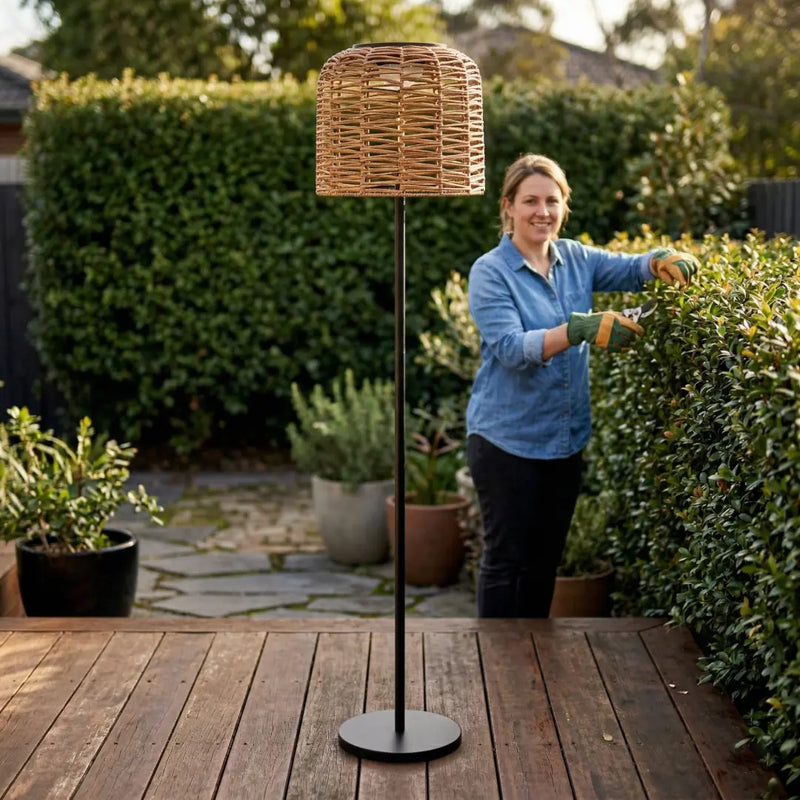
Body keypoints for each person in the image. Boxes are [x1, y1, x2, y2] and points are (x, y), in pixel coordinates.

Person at [465, 153, 699, 618]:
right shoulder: (490, 272)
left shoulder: (575, 257)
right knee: (505, 562)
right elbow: (511, 348)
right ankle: (491, 669)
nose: (542, 212)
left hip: (563, 442)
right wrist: (577, 330)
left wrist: (660, 260)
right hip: (505, 442)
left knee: (544, 563)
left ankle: (529, 664)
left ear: (564, 207)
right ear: (508, 206)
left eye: (552, 201)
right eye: (530, 200)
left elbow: (632, 268)